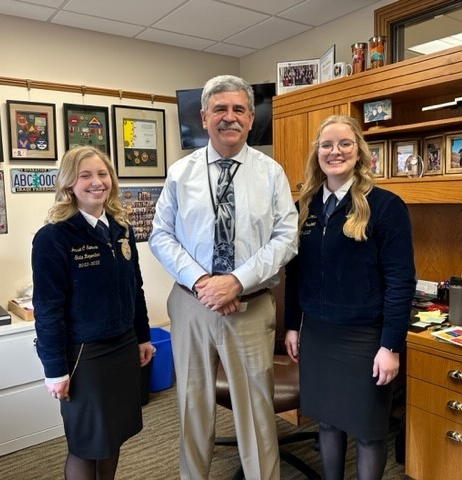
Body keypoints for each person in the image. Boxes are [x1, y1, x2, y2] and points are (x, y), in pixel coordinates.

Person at [149, 74, 298, 480]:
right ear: (203, 116)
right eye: (219, 109)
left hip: (249, 308)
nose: (228, 117)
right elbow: (160, 234)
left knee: (255, 414)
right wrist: (203, 282)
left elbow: (287, 238)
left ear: (251, 119)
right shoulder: (181, 173)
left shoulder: (271, 174)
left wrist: (236, 281)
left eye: (238, 110)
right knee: (192, 407)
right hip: (190, 304)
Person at [283, 115, 416, 480]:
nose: (335, 151)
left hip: (365, 338)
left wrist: (391, 345)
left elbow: (401, 281)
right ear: (317, 154)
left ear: (359, 152)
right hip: (319, 335)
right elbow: (295, 273)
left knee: (369, 433)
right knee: (327, 423)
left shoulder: (386, 206)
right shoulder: (304, 207)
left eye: (344, 144)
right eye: (326, 145)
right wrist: (292, 325)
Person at [31, 146, 154, 480]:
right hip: (85, 355)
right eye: (85, 175)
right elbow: (47, 309)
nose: (96, 182)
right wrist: (55, 369)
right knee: (86, 444)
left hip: (123, 346)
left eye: (102, 174)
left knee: (112, 436)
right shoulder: (53, 237)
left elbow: (135, 288)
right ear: (69, 183)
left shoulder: (120, 228)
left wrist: (143, 337)